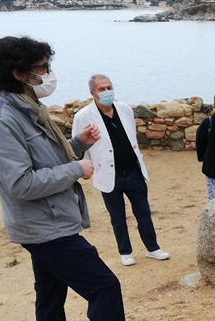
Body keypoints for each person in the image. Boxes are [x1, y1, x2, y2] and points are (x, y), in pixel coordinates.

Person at [0, 36, 161, 321]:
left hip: (46, 222)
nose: (49, 74)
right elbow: (21, 184)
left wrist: (77, 145)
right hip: (43, 226)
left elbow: (40, 160)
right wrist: (77, 169)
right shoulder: (2, 121)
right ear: (18, 73)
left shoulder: (25, 107)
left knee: (49, 292)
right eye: (42, 68)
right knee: (104, 287)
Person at [72, 74, 170, 266]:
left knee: (143, 212)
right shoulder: (82, 116)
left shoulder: (124, 109)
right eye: (102, 89)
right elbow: (78, 145)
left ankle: (153, 248)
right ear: (93, 93)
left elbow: (131, 136)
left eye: (109, 87)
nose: (107, 92)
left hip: (133, 172)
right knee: (117, 217)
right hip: (109, 175)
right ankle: (125, 252)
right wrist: (84, 167)